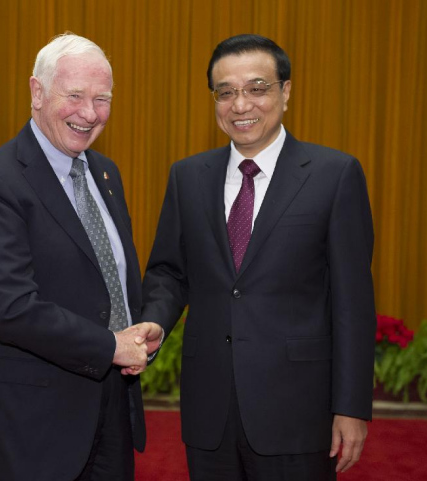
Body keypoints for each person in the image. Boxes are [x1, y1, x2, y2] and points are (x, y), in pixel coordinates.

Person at [141, 34, 376, 480]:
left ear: (285, 92)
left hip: (299, 412)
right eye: (225, 92)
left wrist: (350, 406)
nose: (240, 104)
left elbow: (353, 303)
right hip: (209, 410)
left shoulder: (334, 175)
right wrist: (154, 320)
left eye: (257, 88)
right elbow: (169, 272)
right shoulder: (187, 177)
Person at [0, 33, 163, 481]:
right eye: (74, 95)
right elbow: (9, 309)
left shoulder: (106, 172)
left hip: (112, 410)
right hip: (35, 423)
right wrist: (110, 345)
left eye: (101, 98)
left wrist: (139, 323)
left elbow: (107, 277)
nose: (89, 114)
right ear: (37, 92)